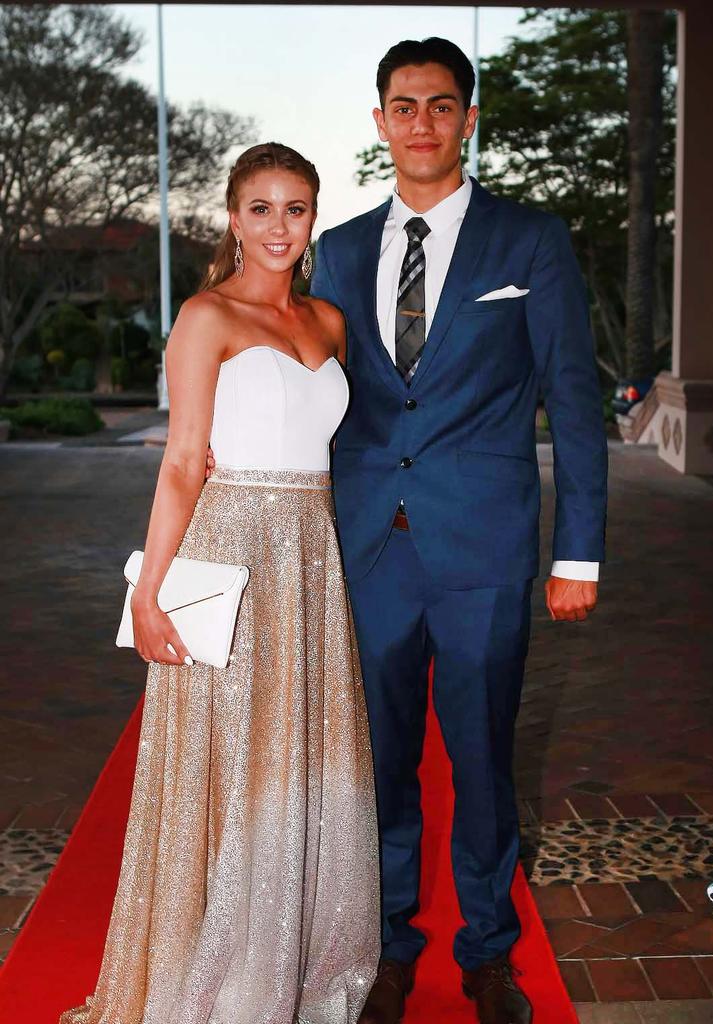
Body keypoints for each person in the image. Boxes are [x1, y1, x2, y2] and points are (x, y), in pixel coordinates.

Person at [309, 37, 608, 1024]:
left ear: (469, 119)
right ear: (381, 120)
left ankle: (487, 952)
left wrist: (578, 550)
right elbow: (318, 395)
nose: (423, 122)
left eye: (443, 105)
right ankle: (392, 946)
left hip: (484, 546)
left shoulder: (530, 241)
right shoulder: (342, 249)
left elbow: (572, 399)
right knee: (380, 760)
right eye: (404, 105)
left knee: (481, 756)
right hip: (369, 550)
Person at [60, 143, 380, 1024]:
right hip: (232, 545)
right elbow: (181, 462)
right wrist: (148, 588)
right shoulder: (206, 316)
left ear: (314, 219)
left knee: (302, 762)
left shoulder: (330, 323)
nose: (281, 226)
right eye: (263, 208)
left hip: (312, 560)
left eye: (298, 208)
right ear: (234, 218)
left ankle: (298, 967)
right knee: (232, 764)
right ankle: (222, 981)